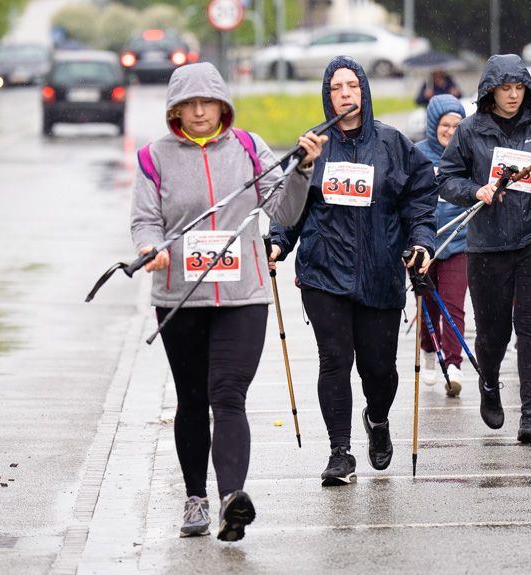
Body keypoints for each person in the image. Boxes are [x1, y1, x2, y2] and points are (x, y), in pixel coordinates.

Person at [130, 62, 326, 540]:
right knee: (193, 399)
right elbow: (145, 221)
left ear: (222, 105)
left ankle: (230, 500)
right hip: (180, 297)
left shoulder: (248, 148)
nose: (199, 112)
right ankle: (195, 498)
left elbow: (282, 208)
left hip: (243, 295)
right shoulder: (154, 157)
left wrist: (301, 170)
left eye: (207, 102)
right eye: (188, 105)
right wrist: (149, 250)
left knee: (228, 395)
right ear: (174, 110)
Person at [269, 56, 437, 485]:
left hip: (381, 273)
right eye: (336, 88)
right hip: (324, 273)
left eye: (352, 86)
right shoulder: (314, 146)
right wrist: (278, 241)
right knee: (334, 359)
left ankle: (377, 420)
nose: (345, 94)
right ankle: (339, 452)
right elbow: (291, 206)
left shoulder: (394, 144)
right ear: (327, 96)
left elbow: (419, 199)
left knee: (379, 370)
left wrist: (421, 241)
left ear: (364, 90)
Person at [437, 54, 531, 444]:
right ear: (489, 91)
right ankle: (489, 382)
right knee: (493, 333)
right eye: (505, 88)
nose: (513, 96)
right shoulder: (469, 130)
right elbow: (447, 178)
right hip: (488, 244)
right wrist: (474, 190)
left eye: (518, 88)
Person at [415, 94, 467, 396]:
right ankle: (429, 350)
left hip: (459, 242)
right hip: (426, 244)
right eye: (444, 125)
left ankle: (454, 362)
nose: (450, 131)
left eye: (456, 125)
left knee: (454, 304)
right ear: (433, 123)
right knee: (428, 304)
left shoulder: (466, 154)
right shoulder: (417, 154)